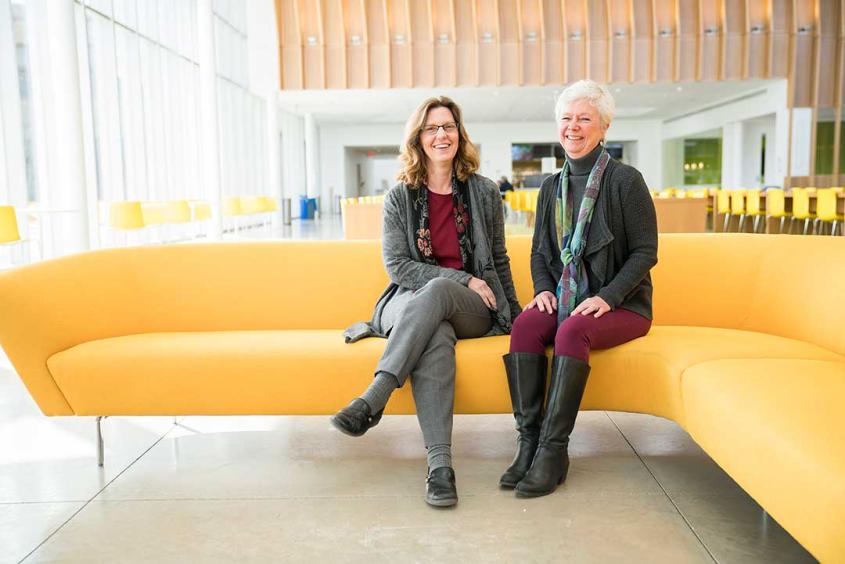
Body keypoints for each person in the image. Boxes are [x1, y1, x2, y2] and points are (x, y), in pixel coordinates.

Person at [335, 96, 521, 508]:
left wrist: (514, 313)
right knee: (435, 327)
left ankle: (375, 396)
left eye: (449, 127)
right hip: (412, 300)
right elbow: (398, 266)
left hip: (474, 306)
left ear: (460, 135)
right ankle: (440, 469)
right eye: (432, 128)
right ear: (418, 138)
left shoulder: (486, 192)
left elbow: (501, 258)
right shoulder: (400, 197)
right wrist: (461, 277)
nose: (442, 135)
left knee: (437, 294)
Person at [500, 80, 658, 498]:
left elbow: (645, 252)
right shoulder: (551, 187)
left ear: (603, 127)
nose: (574, 127)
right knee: (525, 326)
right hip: (566, 294)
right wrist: (542, 288)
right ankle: (528, 443)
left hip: (623, 305)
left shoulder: (626, 181)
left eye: (584, 119)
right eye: (567, 119)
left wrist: (607, 297)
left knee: (571, 330)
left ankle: (554, 451)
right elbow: (539, 252)